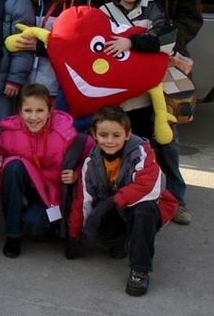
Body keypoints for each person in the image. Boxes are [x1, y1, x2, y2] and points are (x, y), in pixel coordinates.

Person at [119, 0, 204, 224]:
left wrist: (162, 43)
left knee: (166, 133)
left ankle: (175, 199)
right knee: (130, 129)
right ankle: (135, 191)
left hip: (165, 62)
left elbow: (191, 17)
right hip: (126, 62)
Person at [66, 106, 178, 296]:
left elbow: (148, 186)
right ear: (94, 135)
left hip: (143, 207)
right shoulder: (90, 162)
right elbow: (82, 200)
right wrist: (74, 236)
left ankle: (139, 270)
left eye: (116, 135)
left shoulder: (142, 152)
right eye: (104, 135)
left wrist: (110, 203)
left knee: (143, 211)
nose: (110, 141)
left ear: (127, 134)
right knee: (97, 224)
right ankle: (119, 241)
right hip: (115, 208)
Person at [0, 84, 79, 258]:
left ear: (50, 111)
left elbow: (86, 156)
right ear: (19, 111)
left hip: (50, 192)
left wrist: (75, 173)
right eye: (27, 110)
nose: (33, 117)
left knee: (35, 228)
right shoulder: (8, 133)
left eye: (40, 110)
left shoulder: (64, 133)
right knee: (13, 165)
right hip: (25, 184)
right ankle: (13, 235)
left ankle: (43, 220)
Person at [99, 0, 177, 140]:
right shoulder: (104, 11)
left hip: (142, 99)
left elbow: (167, 38)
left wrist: (131, 42)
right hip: (111, 97)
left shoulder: (152, 8)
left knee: (142, 145)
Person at [12, 0, 78, 99]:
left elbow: (73, 45)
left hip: (56, 85)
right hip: (27, 84)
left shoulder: (69, 1)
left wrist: (40, 47)